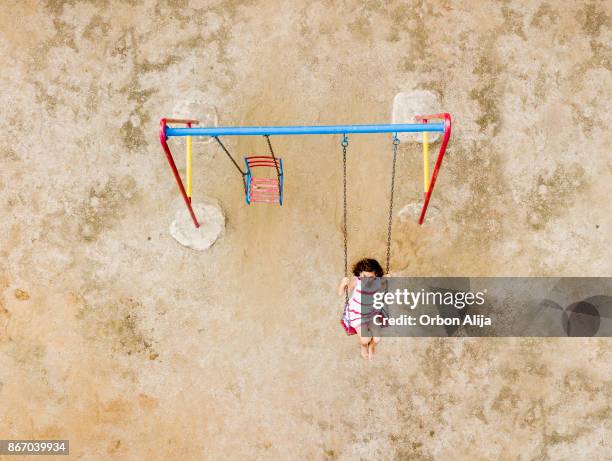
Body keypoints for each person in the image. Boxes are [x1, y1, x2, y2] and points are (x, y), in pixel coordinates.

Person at [339, 258, 385, 360]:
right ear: (360, 274)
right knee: (365, 339)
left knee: (377, 339)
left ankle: (372, 346)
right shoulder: (357, 281)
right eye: (364, 276)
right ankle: (364, 346)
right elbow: (341, 293)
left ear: (376, 275)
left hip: (372, 313)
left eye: (371, 277)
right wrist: (343, 284)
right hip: (357, 313)